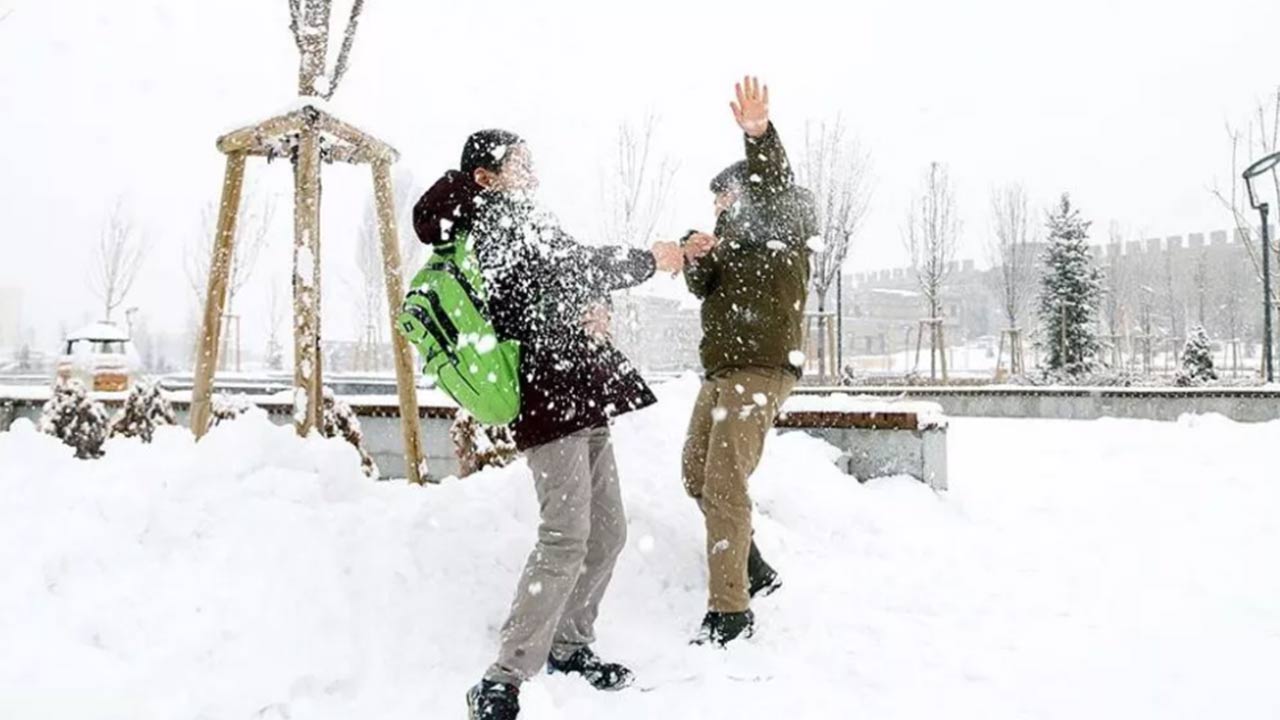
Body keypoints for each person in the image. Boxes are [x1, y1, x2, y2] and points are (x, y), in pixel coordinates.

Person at [413, 129, 685, 720]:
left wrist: (598, 308)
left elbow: (565, 283)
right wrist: (651, 261)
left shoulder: (525, 217)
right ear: (487, 176)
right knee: (565, 535)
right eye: (519, 162)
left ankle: (570, 646)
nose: (532, 170)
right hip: (546, 394)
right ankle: (502, 678)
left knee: (608, 531)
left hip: (580, 390)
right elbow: (572, 267)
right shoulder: (491, 221)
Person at [679, 77, 818, 646]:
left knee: (724, 483)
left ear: (749, 192)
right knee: (696, 473)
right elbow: (702, 287)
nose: (719, 207)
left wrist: (758, 135)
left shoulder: (783, 219)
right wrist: (695, 253)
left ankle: (730, 612)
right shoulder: (728, 243)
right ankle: (752, 565)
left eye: (726, 197)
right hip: (722, 372)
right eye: (715, 201)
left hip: (760, 369)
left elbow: (775, 182)